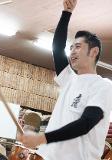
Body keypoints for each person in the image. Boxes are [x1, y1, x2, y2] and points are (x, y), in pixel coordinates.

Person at [19, 0, 112, 159]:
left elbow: (86, 123)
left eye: (78, 46)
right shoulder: (69, 79)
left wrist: (41, 138)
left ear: (94, 51)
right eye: (71, 48)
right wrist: (66, 13)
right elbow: (57, 48)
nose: (72, 52)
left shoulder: (103, 86)